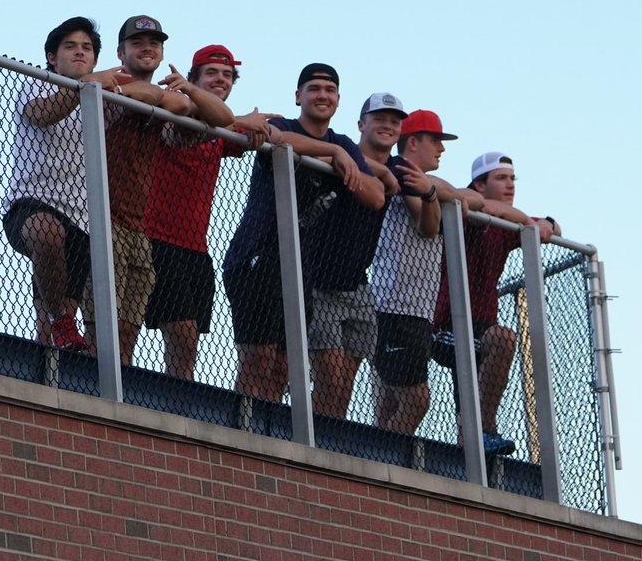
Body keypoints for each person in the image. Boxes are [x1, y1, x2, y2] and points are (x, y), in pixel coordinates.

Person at [222, 63, 385, 403]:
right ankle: (243, 430)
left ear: (338, 99)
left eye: (329, 90)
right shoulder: (291, 126)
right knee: (259, 358)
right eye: (314, 89)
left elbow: (375, 196)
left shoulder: (341, 142)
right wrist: (334, 154)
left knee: (284, 365)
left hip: (300, 272)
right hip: (256, 257)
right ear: (299, 96)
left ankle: (267, 438)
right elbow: (276, 137)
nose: (322, 96)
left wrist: (345, 159)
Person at [143, 44, 278, 380]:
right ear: (193, 79)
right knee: (180, 332)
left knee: (190, 343)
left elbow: (264, 134)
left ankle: (181, 403)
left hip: (196, 247)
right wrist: (241, 120)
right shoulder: (178, 107)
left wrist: (249, 123)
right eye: (212, 73)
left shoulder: (223, 129)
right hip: (157, 237)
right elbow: (185, 130)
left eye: (228, 74)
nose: (221, 79)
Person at [103, 16, 233, 365]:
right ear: (121, 52)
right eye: (138, 42)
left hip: (145, 235)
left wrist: (185, 93)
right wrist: (127, 91)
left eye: (155, 43)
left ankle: (134, 404)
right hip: (115, 223)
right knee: (108, 324)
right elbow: (178, 106)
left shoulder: (173, 101)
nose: (148, 48)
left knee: (129, 330)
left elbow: (216, 116)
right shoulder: (108, 82)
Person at [2, 17, 128, 351]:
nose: (79, 53)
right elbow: (41, 114)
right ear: (51, 57)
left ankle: (55, 360)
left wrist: (113, 86)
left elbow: (145, 95)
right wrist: (86, 86)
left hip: (83, 218)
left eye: (87, 48)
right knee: (45, 231)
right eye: (70, 47)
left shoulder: (102, 96)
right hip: (32, 201)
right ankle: (62, 322)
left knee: (53, 331)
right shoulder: (38, 82)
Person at [304, 93, 429, 419]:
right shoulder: (344, 151)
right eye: (379, 118)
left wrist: (428, 192)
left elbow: (429, 224)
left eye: (394, 121)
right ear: (362, 124)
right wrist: (374, 170)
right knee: (330, 375)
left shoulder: (400, 168)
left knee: (344, 382)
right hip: (318, 275)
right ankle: (312, 440)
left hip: (356, 282)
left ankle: (327, 442)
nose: (387, 125)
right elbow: (332, 156)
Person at [430, 151, 561, 456]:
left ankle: (474, 433)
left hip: (482, 321)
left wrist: (548, 223)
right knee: (500, 341)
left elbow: (554, 226)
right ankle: (481, 431)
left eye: (512, 178)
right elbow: (464, 199)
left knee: (487, 353)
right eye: (501, 178)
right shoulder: (468, 212)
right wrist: (530, 222)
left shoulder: (506, 225)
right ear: (479, 184)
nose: (510, 185)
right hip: (447, 322)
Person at [368, 109, 458, 434]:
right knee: (416, 399)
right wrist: (432, 192)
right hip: (394, 307)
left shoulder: (427, 183)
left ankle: (381, 464)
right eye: (436, 140)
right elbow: (427, 226)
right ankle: (386, 459)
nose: (442, 149)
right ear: (414, 141)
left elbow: (460, 195)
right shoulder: (400, 173)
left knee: (391, 400)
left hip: (415, 310)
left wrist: (434, 189)